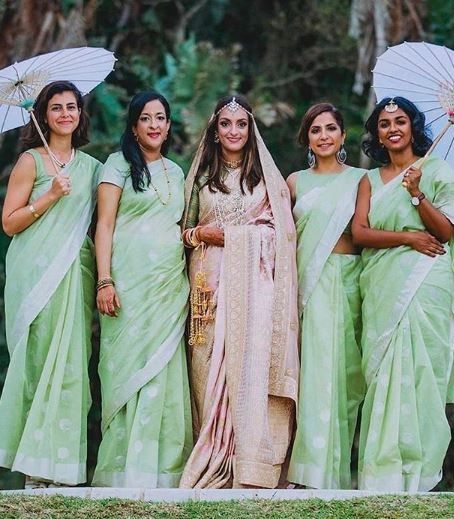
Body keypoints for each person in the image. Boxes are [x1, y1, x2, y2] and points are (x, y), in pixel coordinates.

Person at [352, 96, 454, 491]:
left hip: (426, 284)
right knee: (386, 373)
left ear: (413, 127)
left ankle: (418, 472)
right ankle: (381, 471)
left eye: (400, 121)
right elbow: (360, 233)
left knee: (421, 371)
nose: (393, 129)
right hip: (382, 284)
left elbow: (446, 233)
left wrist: (419, 195)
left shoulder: (437, 170)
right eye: (384, 123)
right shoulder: (368, 180)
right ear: (377, 134)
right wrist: (406, 237)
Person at [179, 95, 299, 489]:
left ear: (251, 130)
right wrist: (198, 234)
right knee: (205, 362)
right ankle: (212, 454)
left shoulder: (267, 181)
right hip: (207, 284)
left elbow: (280, 235)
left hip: (255, 292)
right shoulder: (199, 178)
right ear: (214, 130)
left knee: (250, 365)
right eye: (226, 124)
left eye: (241, 124)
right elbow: (183, 231)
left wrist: (225, 235)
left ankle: (250, 463)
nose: (233, 131)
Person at [0, 81, 100, 488]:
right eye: (56, 108)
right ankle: (33, 471)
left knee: (72, 365)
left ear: (80, 114)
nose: (64, 114)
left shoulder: (93, 168)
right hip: (36, 272)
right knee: (38, 362)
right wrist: (51, 196)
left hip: (75, 275)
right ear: (43, 115)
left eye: (71, 107)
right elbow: (9, 223)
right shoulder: (31, 162)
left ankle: (62, 468)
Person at [92, 91, 192, 488]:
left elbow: (181, 228)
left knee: (165, 369)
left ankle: (164, 469)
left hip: (169, 285)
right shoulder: (116, 166)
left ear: (168, 126)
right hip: (127, 284)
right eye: (146, 118)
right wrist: (105, 279)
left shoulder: (177, 172)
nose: (154, 125)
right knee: (125, 368)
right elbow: (104, 225)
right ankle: (123, 467)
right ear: (133, 126)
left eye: (161, 118)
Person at [286, 103, 366, 489]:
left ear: (343, 136)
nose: (324, 136)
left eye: (331, 128)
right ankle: (309, 471)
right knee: (315, 372)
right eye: (315, 130)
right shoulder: (294, 182)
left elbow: (370, 230)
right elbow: (282, 238)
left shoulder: (362, 180)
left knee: (347, 376)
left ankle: (336, 470)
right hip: (309, 285)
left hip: (350, 279)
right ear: (307, 138)